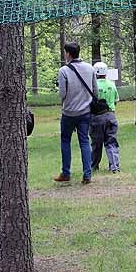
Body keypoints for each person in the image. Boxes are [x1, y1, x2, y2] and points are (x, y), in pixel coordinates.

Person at [54, 42, 95, 185]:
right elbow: (95, 90)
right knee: (84, 141)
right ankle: (87, 174)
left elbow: (62, 93)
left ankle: (66, 173)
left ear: (68, 54)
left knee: (65, 141)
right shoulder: (90, 68)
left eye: (65, 52)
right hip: (85, 112)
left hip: (69, 112)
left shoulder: (63, 71)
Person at [89, 62, 120, 174]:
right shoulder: (112, 85)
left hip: (97, 117)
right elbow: (116, 100)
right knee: (111, 141)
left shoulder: (92, 86)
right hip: (111, 115)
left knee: (96, 144)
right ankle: (114, 166)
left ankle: (94, 166)